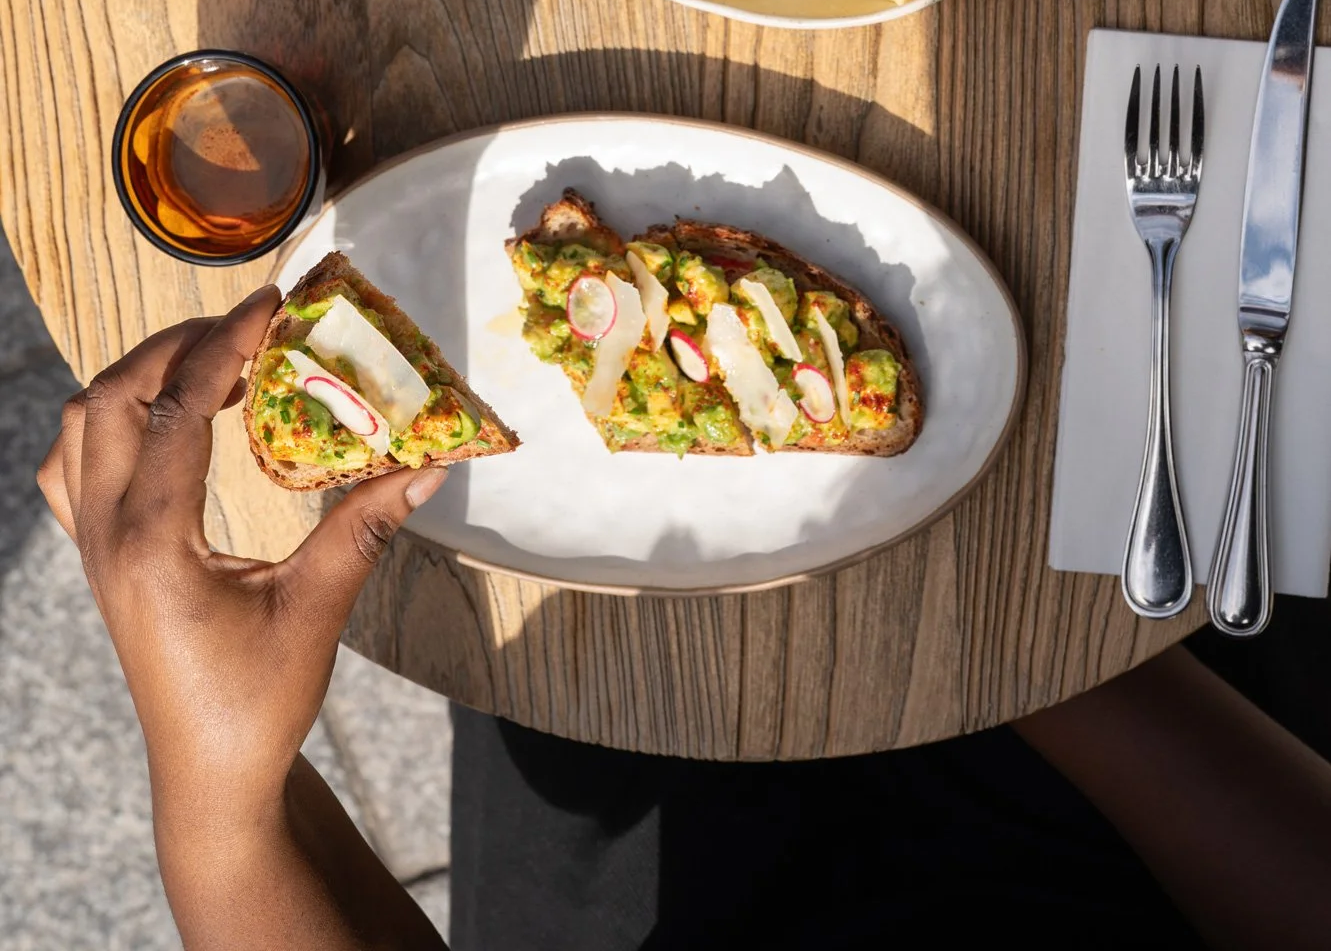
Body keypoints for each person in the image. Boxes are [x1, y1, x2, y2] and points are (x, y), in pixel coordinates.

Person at [38, 292, 1331, 948]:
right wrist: (1020, 653)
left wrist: (215, 790)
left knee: (554, 601)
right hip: (1133, 836)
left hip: (654, 878)